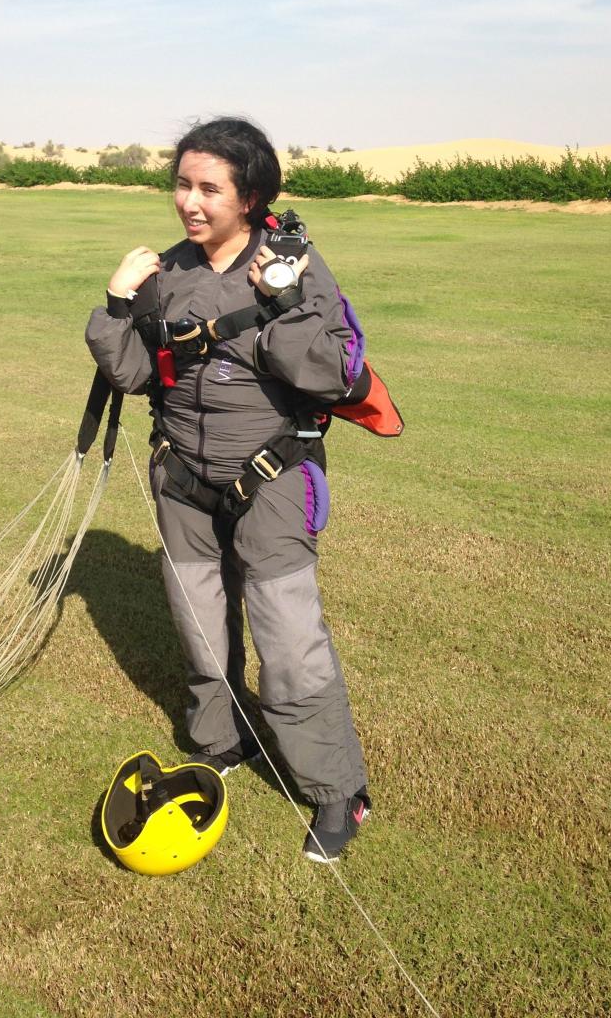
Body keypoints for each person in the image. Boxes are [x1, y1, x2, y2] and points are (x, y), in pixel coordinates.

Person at [85, 117, 370, 861]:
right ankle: (222, 741)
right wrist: (116, 308)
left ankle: (336, 791)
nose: (190, 201)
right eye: (182, 183)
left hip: (272, 477)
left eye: (210, 187)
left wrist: (276, 308)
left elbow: (336, 374)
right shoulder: (167, 273)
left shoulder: (295, 268)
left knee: (289, 643)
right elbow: (137, 375)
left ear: (250, 197)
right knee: (200, 625)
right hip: (182, 479)